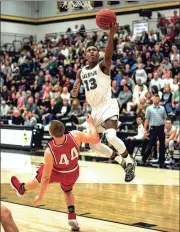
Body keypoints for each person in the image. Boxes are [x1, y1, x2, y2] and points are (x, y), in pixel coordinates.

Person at [71, 22, 136, 182]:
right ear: (85, 55)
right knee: (94, 145)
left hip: (107, 105)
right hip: (94, 110)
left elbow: (108, 55)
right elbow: (75, 93)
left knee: (111, 137)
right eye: (89, 50)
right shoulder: (81, 71)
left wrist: (111, 35)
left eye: (94, 50)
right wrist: (74, 90)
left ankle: (129, 160)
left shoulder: (103, 66)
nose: (92, 52)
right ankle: (121, 162)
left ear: (98, 54)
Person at [10, 116, 100, 231]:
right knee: (67, 191)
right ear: (63, 129)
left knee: (38, 178)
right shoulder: (75, 135)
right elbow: (95, 139)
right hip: (73, 172)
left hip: (56, 172)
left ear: (51, 134)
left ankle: (21, 188)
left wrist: (41, 196)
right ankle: (72, 216)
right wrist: (91, 124)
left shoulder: (49, 151)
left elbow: (46, 178)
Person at [143, 94, 167, 167]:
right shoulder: (149, 108)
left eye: (157, 98)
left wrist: (165, 128)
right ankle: (144, 159)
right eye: (155, 98)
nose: (156, 100)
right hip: (153, 128)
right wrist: (144, 129)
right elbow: (147, 119)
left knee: (162, 145)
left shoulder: (162, 108)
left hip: (161, 127)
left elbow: (164, 119)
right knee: (150, 144)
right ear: (152, 99)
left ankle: (161, 160)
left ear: (159, 99)